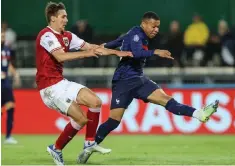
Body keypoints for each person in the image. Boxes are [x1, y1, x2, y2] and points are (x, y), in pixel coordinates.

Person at [77, 11, 219, 164]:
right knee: (113, 121)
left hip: (139, 79)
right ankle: (89, 147)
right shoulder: (137, 34)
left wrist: (102, 47)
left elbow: (118, 41)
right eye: (153, 26)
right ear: (144, 24)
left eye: (158, 27)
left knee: (166, 99)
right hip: (123, 81)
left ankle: (199, 114)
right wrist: (156, 52)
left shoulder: (134, 34)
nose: (156, 30)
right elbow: (137, 53)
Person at [36, 2, 132, 165]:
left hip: (61, 83)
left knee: (95, 102)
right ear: (53, 18)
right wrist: (87, 53)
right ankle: (56, 148)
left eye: (66, 16)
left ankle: (89, 143)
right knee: (80, 119)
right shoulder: (46, 35)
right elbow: (61, 57)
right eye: (63, 16)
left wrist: (116, 52)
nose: (66, 20)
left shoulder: (68, 36)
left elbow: (92, 47)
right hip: (49, 88)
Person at [1, 31, 21, 144]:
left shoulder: (7, 49)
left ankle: (8, 137)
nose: (3, 38)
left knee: (11, 107)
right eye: (1, 36)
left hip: (5, 83)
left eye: (4, 36)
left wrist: (15, 74)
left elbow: (8, 64)